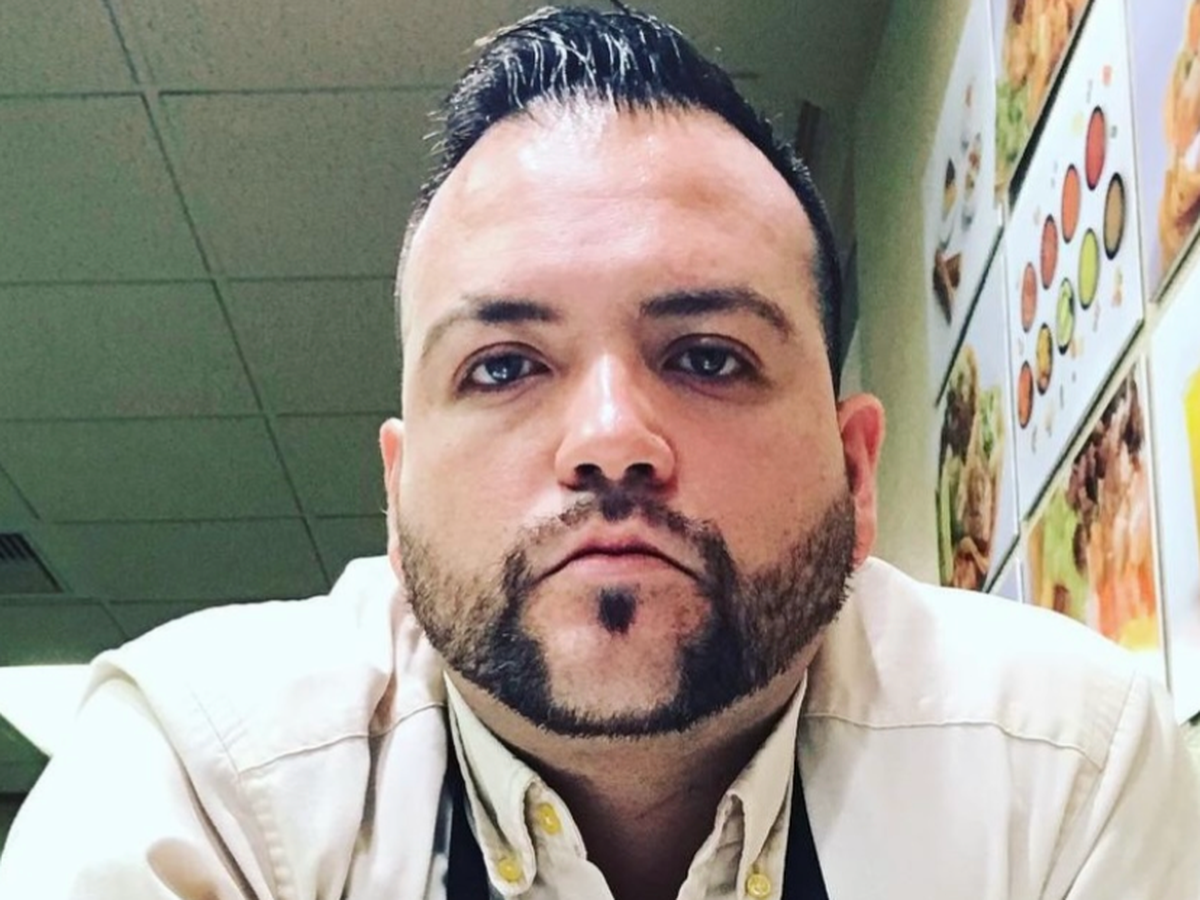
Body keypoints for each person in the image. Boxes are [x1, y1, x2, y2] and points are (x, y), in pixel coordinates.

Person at [1, 5, 1198, 898]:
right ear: (397, 499)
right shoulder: (199, 790)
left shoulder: (1067, 772)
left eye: (710, 356)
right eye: (504, 367)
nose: (612, 439)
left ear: (854, 472)